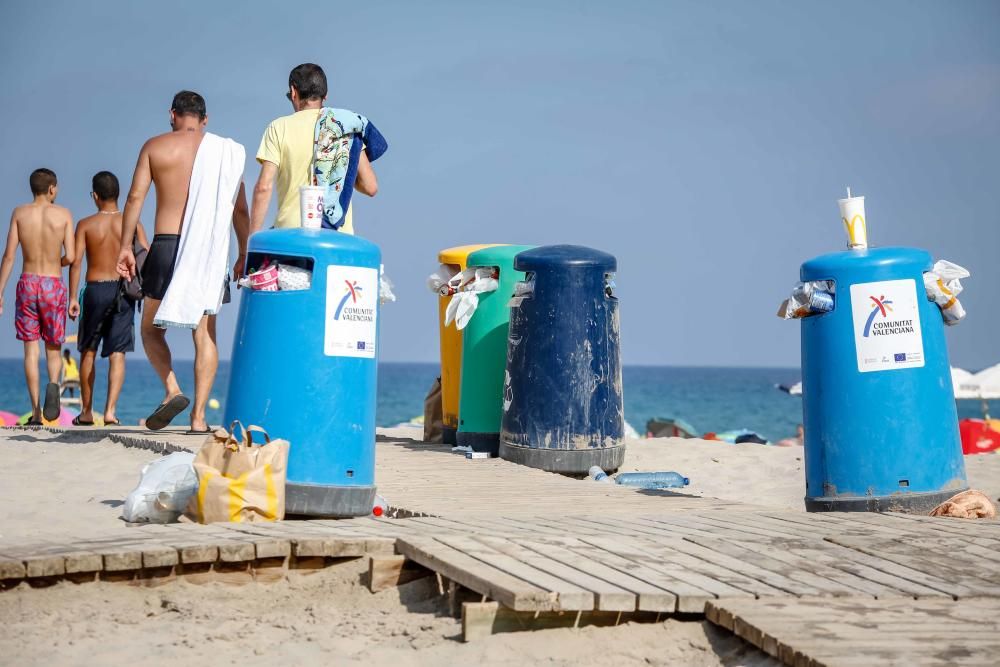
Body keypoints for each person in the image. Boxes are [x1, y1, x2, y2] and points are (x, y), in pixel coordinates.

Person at [116, 91, 249, 433]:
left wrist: (125, 247)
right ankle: (199, 418)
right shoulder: (224, 154)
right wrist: (243, 252)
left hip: (166, 244)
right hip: (209, 249)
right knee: (204, 333)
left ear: (172, 115)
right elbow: (240, 210)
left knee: (149, 329)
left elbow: (134, 197)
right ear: (205, 119)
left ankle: (172, 388)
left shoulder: (155, 146)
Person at [249, 63, 379, 235]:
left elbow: (263, 187)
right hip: (337, 237)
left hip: (292, 236)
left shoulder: (278, 127)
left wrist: (251, 243)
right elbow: (370, 186)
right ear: (325, 96)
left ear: (293, 92)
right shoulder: (343, 127)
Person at [68, 171, 148, 426]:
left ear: (95, 195)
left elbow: (76, 263)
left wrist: (72, 297)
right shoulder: (132, 222)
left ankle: (87, 412)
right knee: (118, 353)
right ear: (118, 194)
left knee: (88, 351)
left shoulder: (85, 224)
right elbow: (145, 254)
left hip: (94, 290)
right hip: (122, 291)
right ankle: (111, 412)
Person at [0, 168, 75, 424]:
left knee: (30, 350)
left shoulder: (20, 213)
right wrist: (57, 262)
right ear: (52, 188)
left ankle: (34, 413)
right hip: (53, 284)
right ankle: (53, 384)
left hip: (28, 282)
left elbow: (9, 256)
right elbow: (72, 256)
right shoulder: (63, 214)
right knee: (53, 348)